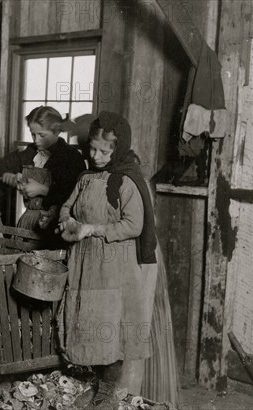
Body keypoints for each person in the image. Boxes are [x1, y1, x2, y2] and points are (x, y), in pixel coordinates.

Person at [56, 112, 161, 407]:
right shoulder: (86, 178)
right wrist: (67, 222)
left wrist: (92, 229)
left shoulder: (126, 181)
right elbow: (67, 206)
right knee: (86, 321)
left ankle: (108, 392)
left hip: (115, 264)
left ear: (119, 149)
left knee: (109, 326)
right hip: (85, 262)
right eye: (93, 149)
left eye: (105, 151)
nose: (96, 156)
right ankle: (94, 385)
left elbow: (133, 225)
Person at [0, 106, 85, 247]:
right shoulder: (30, 152)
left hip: (56, 225)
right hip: (28, 221)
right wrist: (11, 176)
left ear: (56, 132)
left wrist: (43, 190)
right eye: (33, 135)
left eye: (42, 135)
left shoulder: (72, 157)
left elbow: (76, 197)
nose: (36, 140)